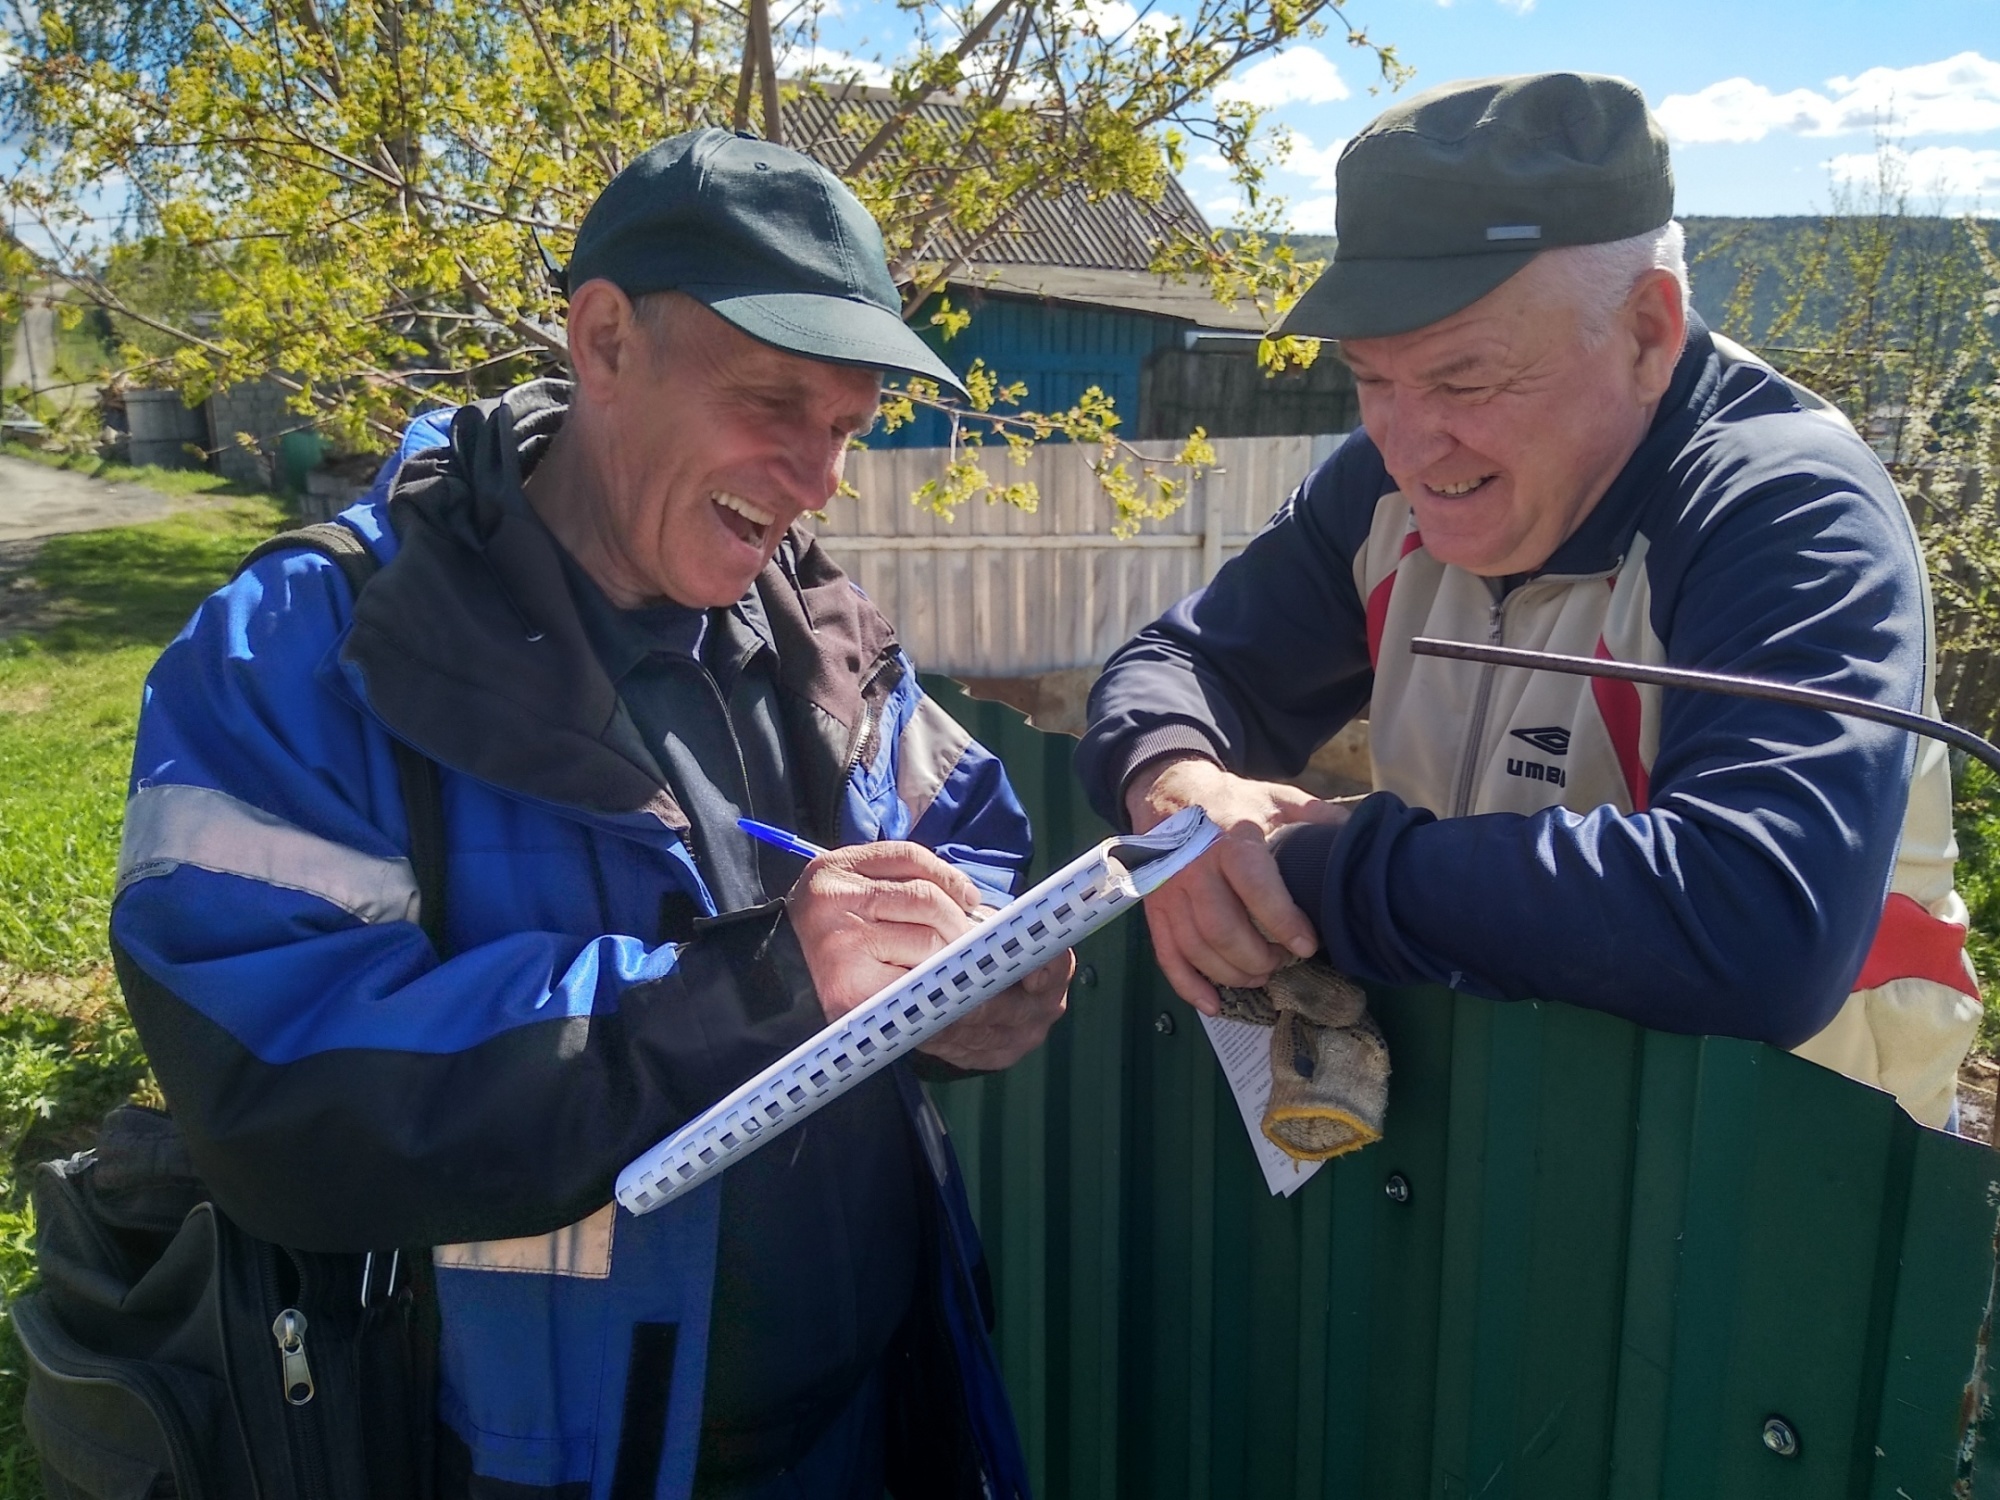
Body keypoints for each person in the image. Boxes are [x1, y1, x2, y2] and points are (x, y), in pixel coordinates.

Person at [110, 128, 1070, 1498]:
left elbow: (967, 837)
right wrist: (748, 991)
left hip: (876, 1415)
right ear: (605, 340)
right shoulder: (302, 645)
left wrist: (975, 982)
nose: (820, 481)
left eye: (849, 429)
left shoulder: (811, 619)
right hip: (527, 1458)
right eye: (776, 403)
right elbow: (274, 1084)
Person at [1076, 72, 1980, 1129]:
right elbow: (1191, 662)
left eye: (1464, 380)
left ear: (1646, 331)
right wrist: (1175, 792)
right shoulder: (1383, 479)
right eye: (1371, 378)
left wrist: (1313, 869)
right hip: (1532, 1147)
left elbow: (1754, 927)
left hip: (1793, 1184)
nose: (1408, 445)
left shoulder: (1785, 513)